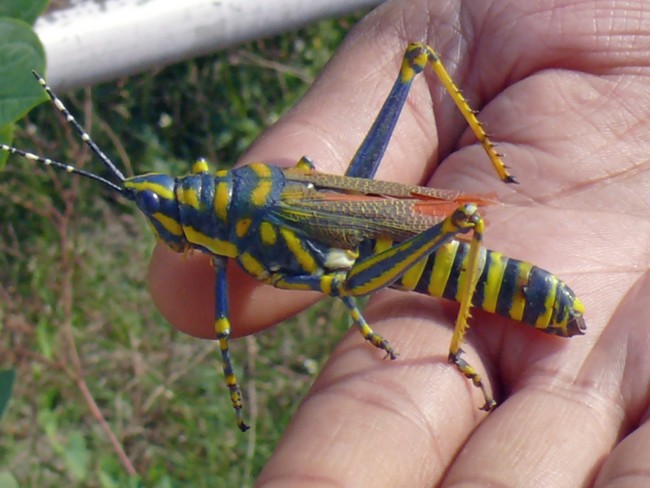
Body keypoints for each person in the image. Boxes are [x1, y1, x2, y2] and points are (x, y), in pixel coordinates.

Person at [149, 0, 650, 485]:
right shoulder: (231, 208)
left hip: (397, 248)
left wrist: (357, 315)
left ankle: (455, 352)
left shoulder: (237, 225)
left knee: (419, 78)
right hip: (352, 230)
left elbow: (331, 280)